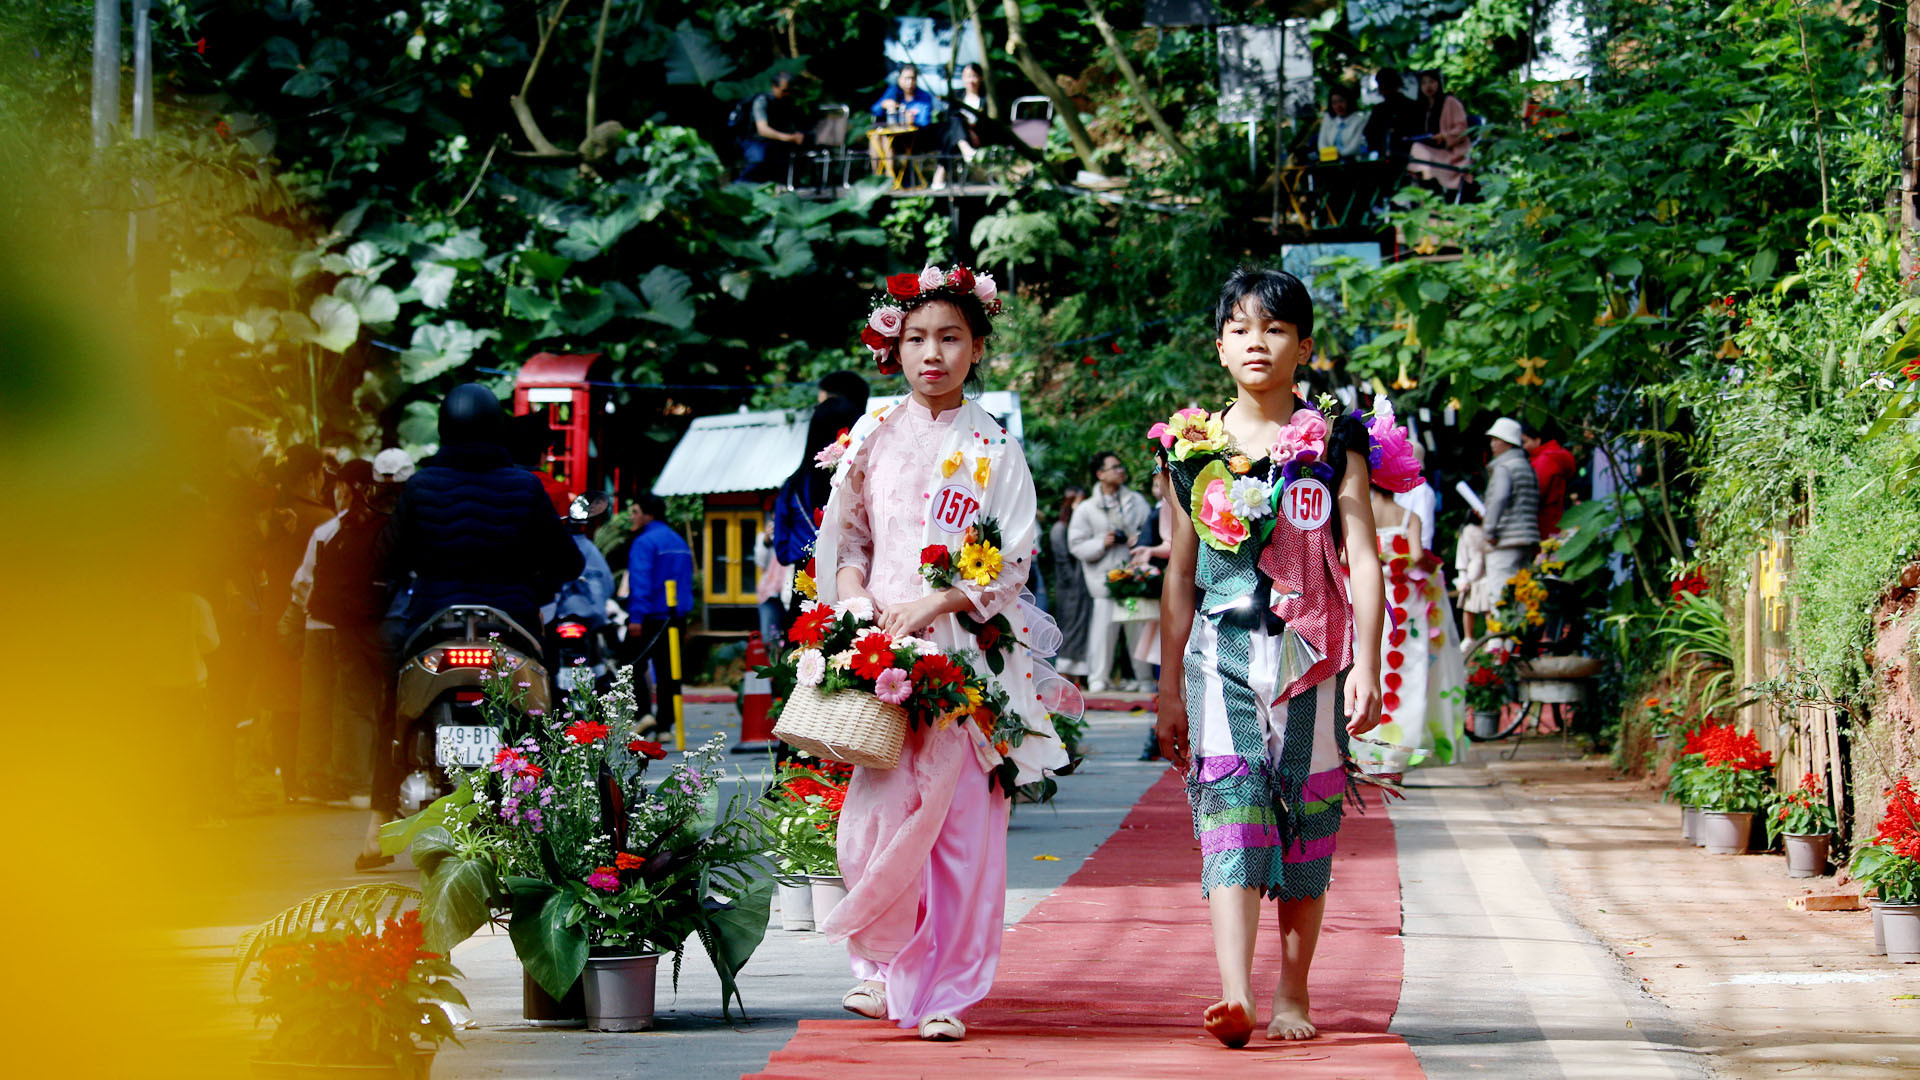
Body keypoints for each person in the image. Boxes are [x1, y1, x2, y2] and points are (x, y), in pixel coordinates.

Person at [813, 262, 1072, 1042]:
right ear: (892, 347)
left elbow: (1015, 560)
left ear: (978, 346)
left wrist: (942, 598)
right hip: (882, 655)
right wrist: (854, 602)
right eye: (917, 336)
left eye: (951, 337)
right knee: (873, 822)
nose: (933, 353)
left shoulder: (997, 449)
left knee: (962, 837)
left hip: (967, 661)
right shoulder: (870, 436)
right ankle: (883, 968)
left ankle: (949, 990)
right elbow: (848, 539)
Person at [1153, 267, 1390, 1048]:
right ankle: (1233, 994)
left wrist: (1368, 662)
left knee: (1309, 820)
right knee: (1232, 809)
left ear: (1305, 345)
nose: (1259, 342)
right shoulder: (1190, 449)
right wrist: (1167, 688)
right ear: (1220, 346)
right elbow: (1180, 574)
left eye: (1277, 328)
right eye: (1242, 329)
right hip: (1220, 658)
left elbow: (1360, 552)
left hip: (1314, 658)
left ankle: (1294, 994)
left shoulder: (1333, 441)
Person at [383, 383, 584, 638]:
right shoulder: (527, 486)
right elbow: (568, 562)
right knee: (540, 672)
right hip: (511, 622)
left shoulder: (419, 485)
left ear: (443, 427)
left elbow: (388, 557)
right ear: (497, 428)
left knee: (402, 673)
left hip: (434, 621)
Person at [291, 459, 391, 805]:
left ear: (347, 488)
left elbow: (303, 582)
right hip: (364, 626)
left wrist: (303, 612)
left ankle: (313, 781)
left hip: (320, 625)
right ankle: (355, 782)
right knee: (357, 705)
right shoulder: (384, 528)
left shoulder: (329, 531)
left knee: (318, 704)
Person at [1354, 480, 1467, 779]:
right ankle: (1397, 756)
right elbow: (1417, 557)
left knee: (1365, 669)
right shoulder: (1408, 516)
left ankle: (1365, 753)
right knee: (1405, 678)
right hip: (1405, 607)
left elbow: (1345, 557)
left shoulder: (1360, 513)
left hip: (1369, 600)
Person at [263, 445, 338, 800]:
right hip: (308, 620)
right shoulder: (323, 521)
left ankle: (289, 781)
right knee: (312, 700)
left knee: (281, 700)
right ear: (311, 476)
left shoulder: (267, 515)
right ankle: (310, 778)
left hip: (270, 617)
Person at [357, 449, 415, 871]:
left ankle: (376, 830)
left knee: (392, 720)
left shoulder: (358, 517)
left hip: (389, 632)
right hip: (427, 622)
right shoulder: (423, 507)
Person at [1068, 450, 1152, 693]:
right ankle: (1098, 679)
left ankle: (1144, 678)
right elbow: (1075, 544)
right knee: (1102, 633)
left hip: (1134, 577)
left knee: (1137, 628)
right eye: (1114, 467)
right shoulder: (1086, 508)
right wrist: (1101, 543)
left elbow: (1150, 530)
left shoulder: (1136, 501)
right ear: (1100, 474)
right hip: (1104, 580)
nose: (1120, 471)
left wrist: (1140, 540)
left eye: (1121, 466)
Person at [625, 493, 694, 726]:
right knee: (669, 670)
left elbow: (640, 581)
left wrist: (636, 616)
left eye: (635, 512)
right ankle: (666, 724)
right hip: (676, 615)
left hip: (650, 615)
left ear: (648, 515)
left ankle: (643, 715)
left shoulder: (644, 542)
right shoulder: (679, 541)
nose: (631, 517)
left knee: (631, 664)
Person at [1473, 416, 1542, 622]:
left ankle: (1500, 647)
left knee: (1500, 595)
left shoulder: (1504, 467)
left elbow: (1500, 498)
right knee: (1521, 595)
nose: (1493, 444)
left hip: (1506, 539)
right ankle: (1516, 644)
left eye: (1496, 439)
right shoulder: (1524, 465)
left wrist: (1489, 531)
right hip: (1526, 537)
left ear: (1508, 442)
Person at [1047, 487, 1091, 678]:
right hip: (1069, 587)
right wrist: (1072, 581)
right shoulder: (1059, 529)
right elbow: (1062, 560)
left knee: (1081, 626)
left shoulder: (1077, 527)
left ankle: (1078, 675)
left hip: (1081, 585)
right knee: (1070, 626)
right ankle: (1064, 674)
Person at [1406, 69, 1471, 194]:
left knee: (1417, 150)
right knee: (1415, 149)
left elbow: (1462, 129)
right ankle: (1427, 181)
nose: (1428, 86)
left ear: (1438, 83)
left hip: (1452, 154)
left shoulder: (1450, 102)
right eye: (1424, 83)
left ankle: (1429, 182)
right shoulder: (1423, 107)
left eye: (1431, 82)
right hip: (1431, 151)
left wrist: (1444, 136)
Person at [737, 71, 807, 184]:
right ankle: (739, 186)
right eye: (784, 91)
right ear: (774, 87)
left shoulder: (789, 103)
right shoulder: (761, 101)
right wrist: (788, 137)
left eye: (790, 91)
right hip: (755, 141)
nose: (787, 94)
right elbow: (762, 130)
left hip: (777, 143)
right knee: (758, 160)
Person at [932, 62, 988, 189]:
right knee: (955, 120)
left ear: (980, 78)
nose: (971, 80)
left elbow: (987, 121)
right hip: (960, 136)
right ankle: (965, 148)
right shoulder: (957, 96)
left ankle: (941, 171)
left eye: (974, 76)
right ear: (963, 78)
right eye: (967, 76)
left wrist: (971, 130)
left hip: (977, 135)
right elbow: (949, 118)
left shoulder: (986, 99)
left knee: (953, 130)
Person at [1523, 423, 1578, 536]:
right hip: (1556, 517)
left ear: (1537, 440)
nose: (1523, 447)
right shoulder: (1555, 456)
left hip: (1544, 521)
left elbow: (1535, 492)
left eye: (1525, 442)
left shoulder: (1545, 460)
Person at [1362, 67, 1421, 160]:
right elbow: (1369, 134)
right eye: (1381, 85)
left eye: (1385, 85)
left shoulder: (1412, 107)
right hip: (1383, 155)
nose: (1382, 89)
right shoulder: (1379, 110)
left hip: (1409, 155)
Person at [753, 515, 786, 646]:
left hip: (788, 591)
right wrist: (766, 541)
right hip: (770, 594)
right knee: (769, 638)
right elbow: (760, 564)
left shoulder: (791, 536)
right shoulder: (763, 538)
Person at [869, 65, 935, 127]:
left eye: (912, 78)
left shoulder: (924, 96)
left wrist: (912, 122)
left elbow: (924, 122)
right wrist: (883, 104)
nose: (910, 83)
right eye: (906, 79)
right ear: (899, 79)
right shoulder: (893, 91)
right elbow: (874, 110)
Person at [1316, 85, 1369, 160]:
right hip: (1329, 161)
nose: (1338, 106)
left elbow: (1355, 146)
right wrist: (1330, 155)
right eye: (1334, 103)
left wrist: (1339, 155)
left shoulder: (1360, 120)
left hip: (1352, 161)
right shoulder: (1328, 119)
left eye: (1341, 101)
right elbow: (1321, 144)